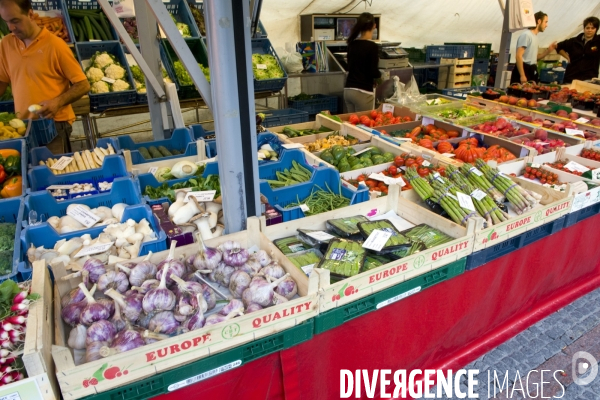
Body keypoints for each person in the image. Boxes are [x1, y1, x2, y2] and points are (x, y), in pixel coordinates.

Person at [0, 0, 89, 153]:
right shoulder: (6, 44)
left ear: (30, 14)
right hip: (23, 126)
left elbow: (83, 84)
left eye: (15, 21)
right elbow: (2, 81)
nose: (11, 28)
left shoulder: (56, 45)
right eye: (6, 22)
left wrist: (57, 102)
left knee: (55, 173)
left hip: (53, 125)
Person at [344, 12, 381, 113]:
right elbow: (373, 72)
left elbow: (350, 66)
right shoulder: (372, 46)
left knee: (351, 124)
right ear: (374, 26)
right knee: (362, 127)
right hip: (363, 92)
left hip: (348, 90)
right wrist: (381, 75)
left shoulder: (352, 44)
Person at [511, 11, 557, 84]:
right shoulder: (526, 35)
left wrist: (548, 51)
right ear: (539, 21)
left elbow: (534, 58)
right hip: (524, 69)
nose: (547, 25)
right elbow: (518, 56)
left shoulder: (535, 37)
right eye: (545, 22)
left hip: (532, 70)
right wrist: (522, 75)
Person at [556, 17, 600, 83]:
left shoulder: (598, 42)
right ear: (584, 28)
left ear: (596, 29)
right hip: (571, 77)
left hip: (589, 79)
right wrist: (567, 57)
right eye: (587, 28)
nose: (589, 30)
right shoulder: (574, 41)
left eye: (592, 28)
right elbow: (558, 46)